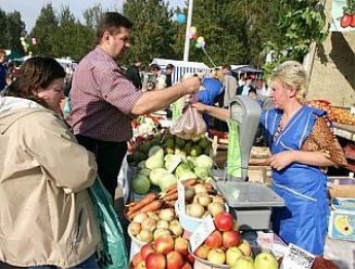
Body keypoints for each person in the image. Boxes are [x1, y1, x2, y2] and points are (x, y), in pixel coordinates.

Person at [192, 60, 347, 255]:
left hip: (306, 206)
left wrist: (293, 155)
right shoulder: (273, 115)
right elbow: (238, 115)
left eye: (275, 89)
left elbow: (336, 157)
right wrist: (205, 109)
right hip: (280, 199)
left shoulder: (313, 119)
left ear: (291, 90)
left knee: (303, 258)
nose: (269, 94)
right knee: (282, 255)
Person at [67, 12, 201, 199]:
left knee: (97, 201)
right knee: (99, 202)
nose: (128, 45)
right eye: (124, 39)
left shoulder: (95, 61)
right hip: (99, 147)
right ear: (107, 37)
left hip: (97, 143)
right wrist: (184, 88)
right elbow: (138, 105)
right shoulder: (102, 67)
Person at [0, 57, 101, 268]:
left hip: (18, 234)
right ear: (36, 89)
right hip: (49, 241)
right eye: (57, 90)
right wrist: (88, 156)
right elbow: (79, 174)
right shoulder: (38, 123)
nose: (62, 96)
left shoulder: (9, 115)